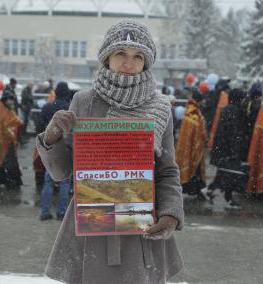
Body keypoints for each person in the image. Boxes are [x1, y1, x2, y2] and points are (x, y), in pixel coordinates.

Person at [36, 20, 183, 284]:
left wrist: (171, 213)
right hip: (91, 225)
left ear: (146, 63)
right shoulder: (84, 101)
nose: (129, 63)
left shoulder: (160, 106)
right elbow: (61, 171)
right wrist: (52, 137)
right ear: (107, 57)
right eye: (121, 54)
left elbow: (167, 170)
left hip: (140, 228)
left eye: (138, 56)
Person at [207, 88, 249, 209]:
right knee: (230, 174)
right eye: (242, 98)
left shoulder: (228, 109)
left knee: (224, 172)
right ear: (238, 99)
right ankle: (228, 199)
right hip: (228, 150)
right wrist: (235, 151)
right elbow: (234, 134)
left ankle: (210, 190)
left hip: (223, 148)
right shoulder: (234, 111)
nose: (244, 100)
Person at [39, 82, 72, 221]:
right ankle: (61, 212)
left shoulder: (47, 107)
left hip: (50, 148)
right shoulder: (71, 110)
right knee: (65, 182)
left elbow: (39, 127)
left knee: (48, 181)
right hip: (65, 150)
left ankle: (44, 212)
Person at [175, 89, 208, 200]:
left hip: (187, 146)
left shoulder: (188, 112)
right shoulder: (195, 115)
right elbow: (201, 134)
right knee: (194, 169)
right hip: (195, 148)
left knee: (188, 167)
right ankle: (194, 189)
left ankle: (191, 189)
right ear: (198, 101)